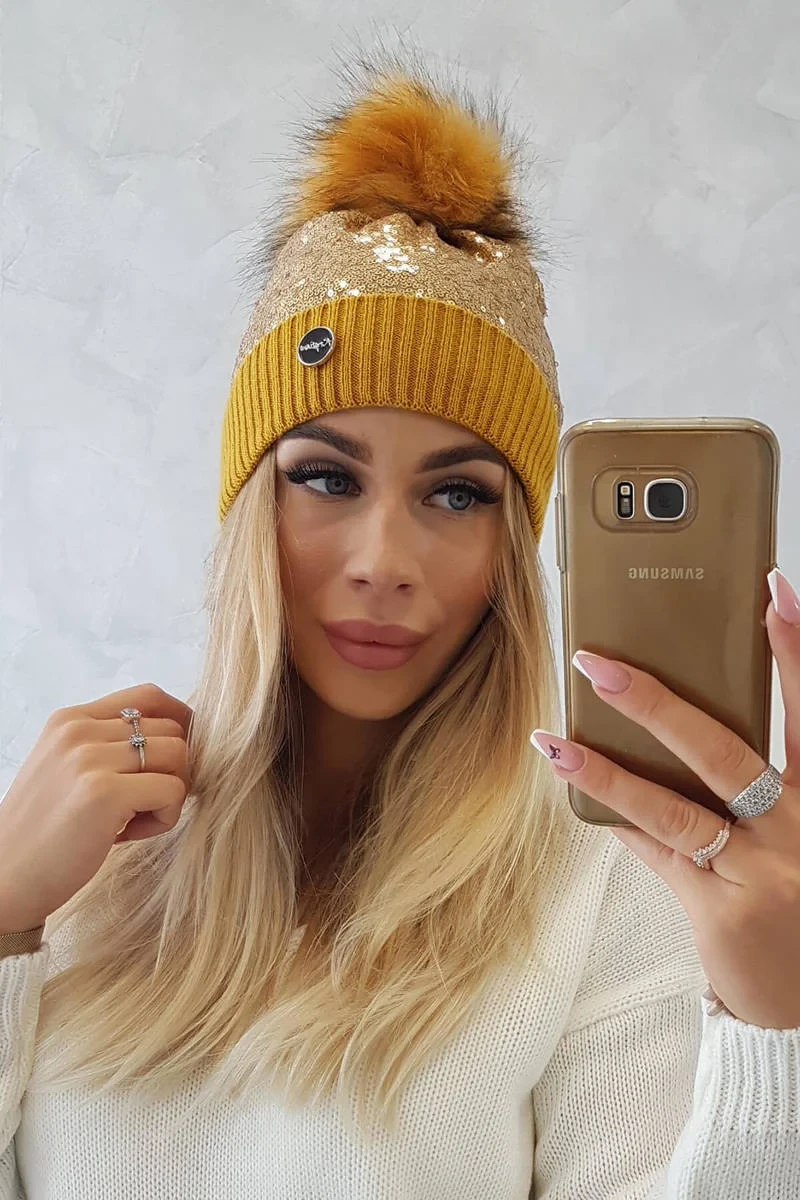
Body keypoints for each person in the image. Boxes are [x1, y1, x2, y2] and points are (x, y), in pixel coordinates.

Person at [1, 48, 799, 1200]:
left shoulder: (603, 890)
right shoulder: (77, 843)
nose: (383, 563)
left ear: (513, 549)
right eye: (326, 478)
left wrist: (772, 1028)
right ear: (249, 505)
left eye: (457, 495)